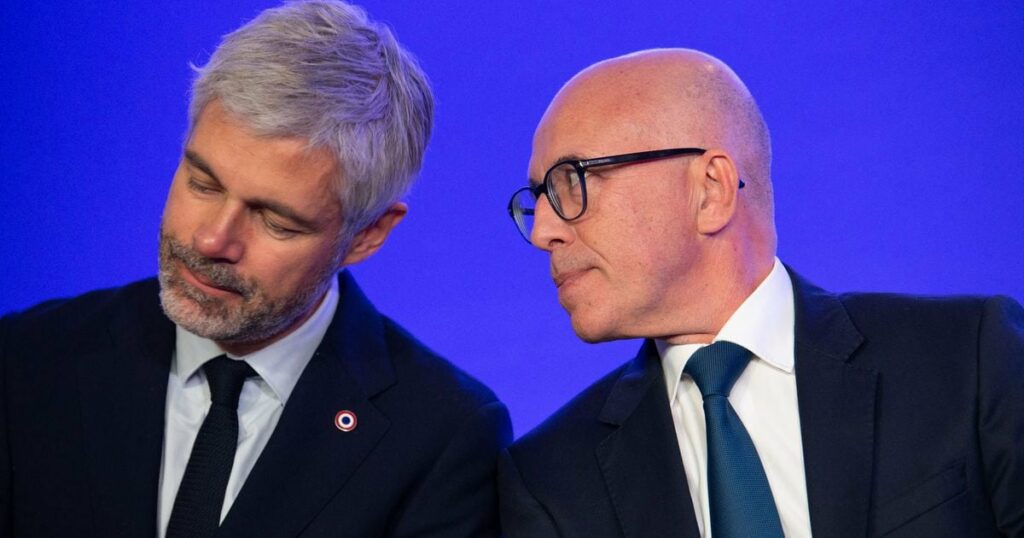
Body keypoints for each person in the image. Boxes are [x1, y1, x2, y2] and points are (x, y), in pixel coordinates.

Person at [0, 2, 511, 536]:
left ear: (367, 235)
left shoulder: (442, 440)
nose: (211, 239)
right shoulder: (29, 362)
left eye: (275, 221)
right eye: (203, 183)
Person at [499, 48, 1023, 537]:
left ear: (712, 190)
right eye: (538, 198)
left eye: (572, 181)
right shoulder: (550, 483)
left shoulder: (966, 362)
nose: (544, 230)